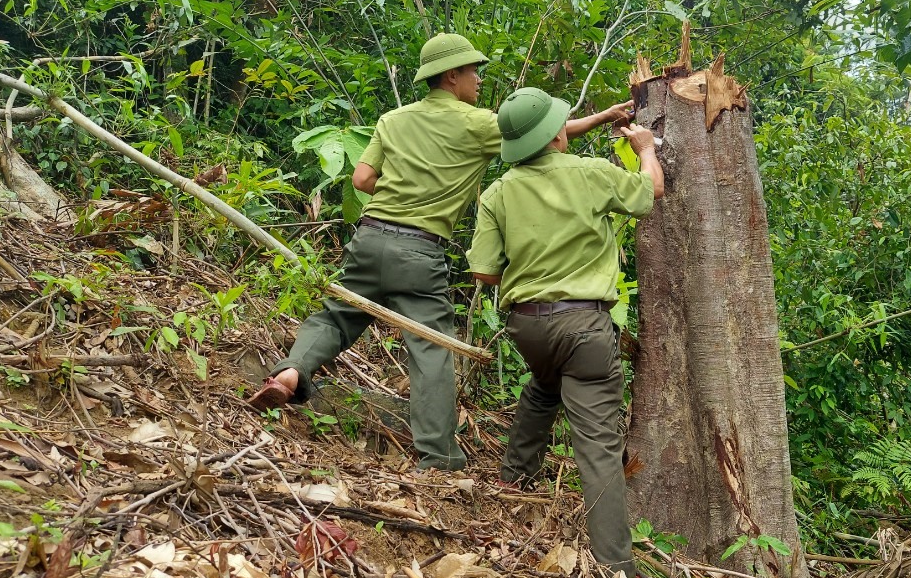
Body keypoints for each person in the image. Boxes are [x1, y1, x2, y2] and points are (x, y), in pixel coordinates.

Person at [247, 35, 632, 472]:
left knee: (336, 316)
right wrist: (602, 118)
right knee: (430, 347)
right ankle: (438, 457)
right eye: (473, 72)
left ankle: (292, 371)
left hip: (370, 236)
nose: (478, 80)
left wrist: (400, 193)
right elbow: (542, 135)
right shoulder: (478, 124)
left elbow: (361, 178)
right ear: (452, 76)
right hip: (419, 250)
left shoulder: (393, 119)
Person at [467, 87, 665, 576]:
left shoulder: (497, 192)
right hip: (584, 326)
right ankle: (617, 567)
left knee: (545, 386)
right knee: (597, 444)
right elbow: (650, 194)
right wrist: (645, 150)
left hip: (528, 327)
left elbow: (485, 274)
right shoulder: (590, 174)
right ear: (556, 133)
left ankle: (513, 479)